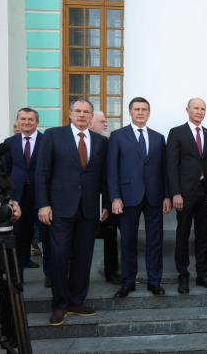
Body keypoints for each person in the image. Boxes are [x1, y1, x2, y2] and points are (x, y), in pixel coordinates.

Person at [36, 98, 109, 325]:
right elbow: (42, 173)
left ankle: (77, 300)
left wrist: (105, 204)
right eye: (77, 111)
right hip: (60, 208)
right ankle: (59, 304)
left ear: (91, 115)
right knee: (59, 256)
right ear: (70, 114)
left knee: (83, 255)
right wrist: (43, 204)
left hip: (88, 209)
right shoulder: (53, 136)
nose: (82, 115)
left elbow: (103, 177)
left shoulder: (99, 141)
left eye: (86, 112)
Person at [107, 97, 171, 298]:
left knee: (155, 241)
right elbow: (111, 169)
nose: (141, 112)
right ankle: (127, 282)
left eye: (144, 109)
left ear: (149, 113)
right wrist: (115, 197)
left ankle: (154, 281)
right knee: (127, 241)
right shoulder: (117, 136)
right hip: (127, 197)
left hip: (154, 196)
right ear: (130, 111)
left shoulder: (158, 137)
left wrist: (167, 196)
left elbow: (164, 170)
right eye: (137, 109)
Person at [167, 97, 207, 294]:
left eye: (203, 109)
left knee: (203, 234)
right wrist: (175, 193)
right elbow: (171, 166)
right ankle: (183, 276)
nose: (199, 111)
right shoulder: (176, 132)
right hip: (185, 193)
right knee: (183, 234)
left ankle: (202, 274)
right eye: (196, 108)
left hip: (205, 192)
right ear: (187, 109)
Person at [2, 108, 49, 275]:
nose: (27, 122)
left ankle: (50, 276)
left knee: (47, 239)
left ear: (37, 122)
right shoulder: (9, 142)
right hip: (18, 200)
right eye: (23, 119)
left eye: (30, 119)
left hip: (42, 198)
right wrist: (9, 198)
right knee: (20, 239)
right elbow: (4, 172)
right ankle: (18, 276)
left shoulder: (47, 140)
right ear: (18, 121)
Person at [88, 111, 120, 285]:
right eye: (101, 122)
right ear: (90, 124)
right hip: (83, 201)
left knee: (110, 238)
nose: (105, 124)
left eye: (106, 121)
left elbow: (110, 174)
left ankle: (111, 272)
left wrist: (108, 202)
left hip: (106, 199)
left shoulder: (108, 143)